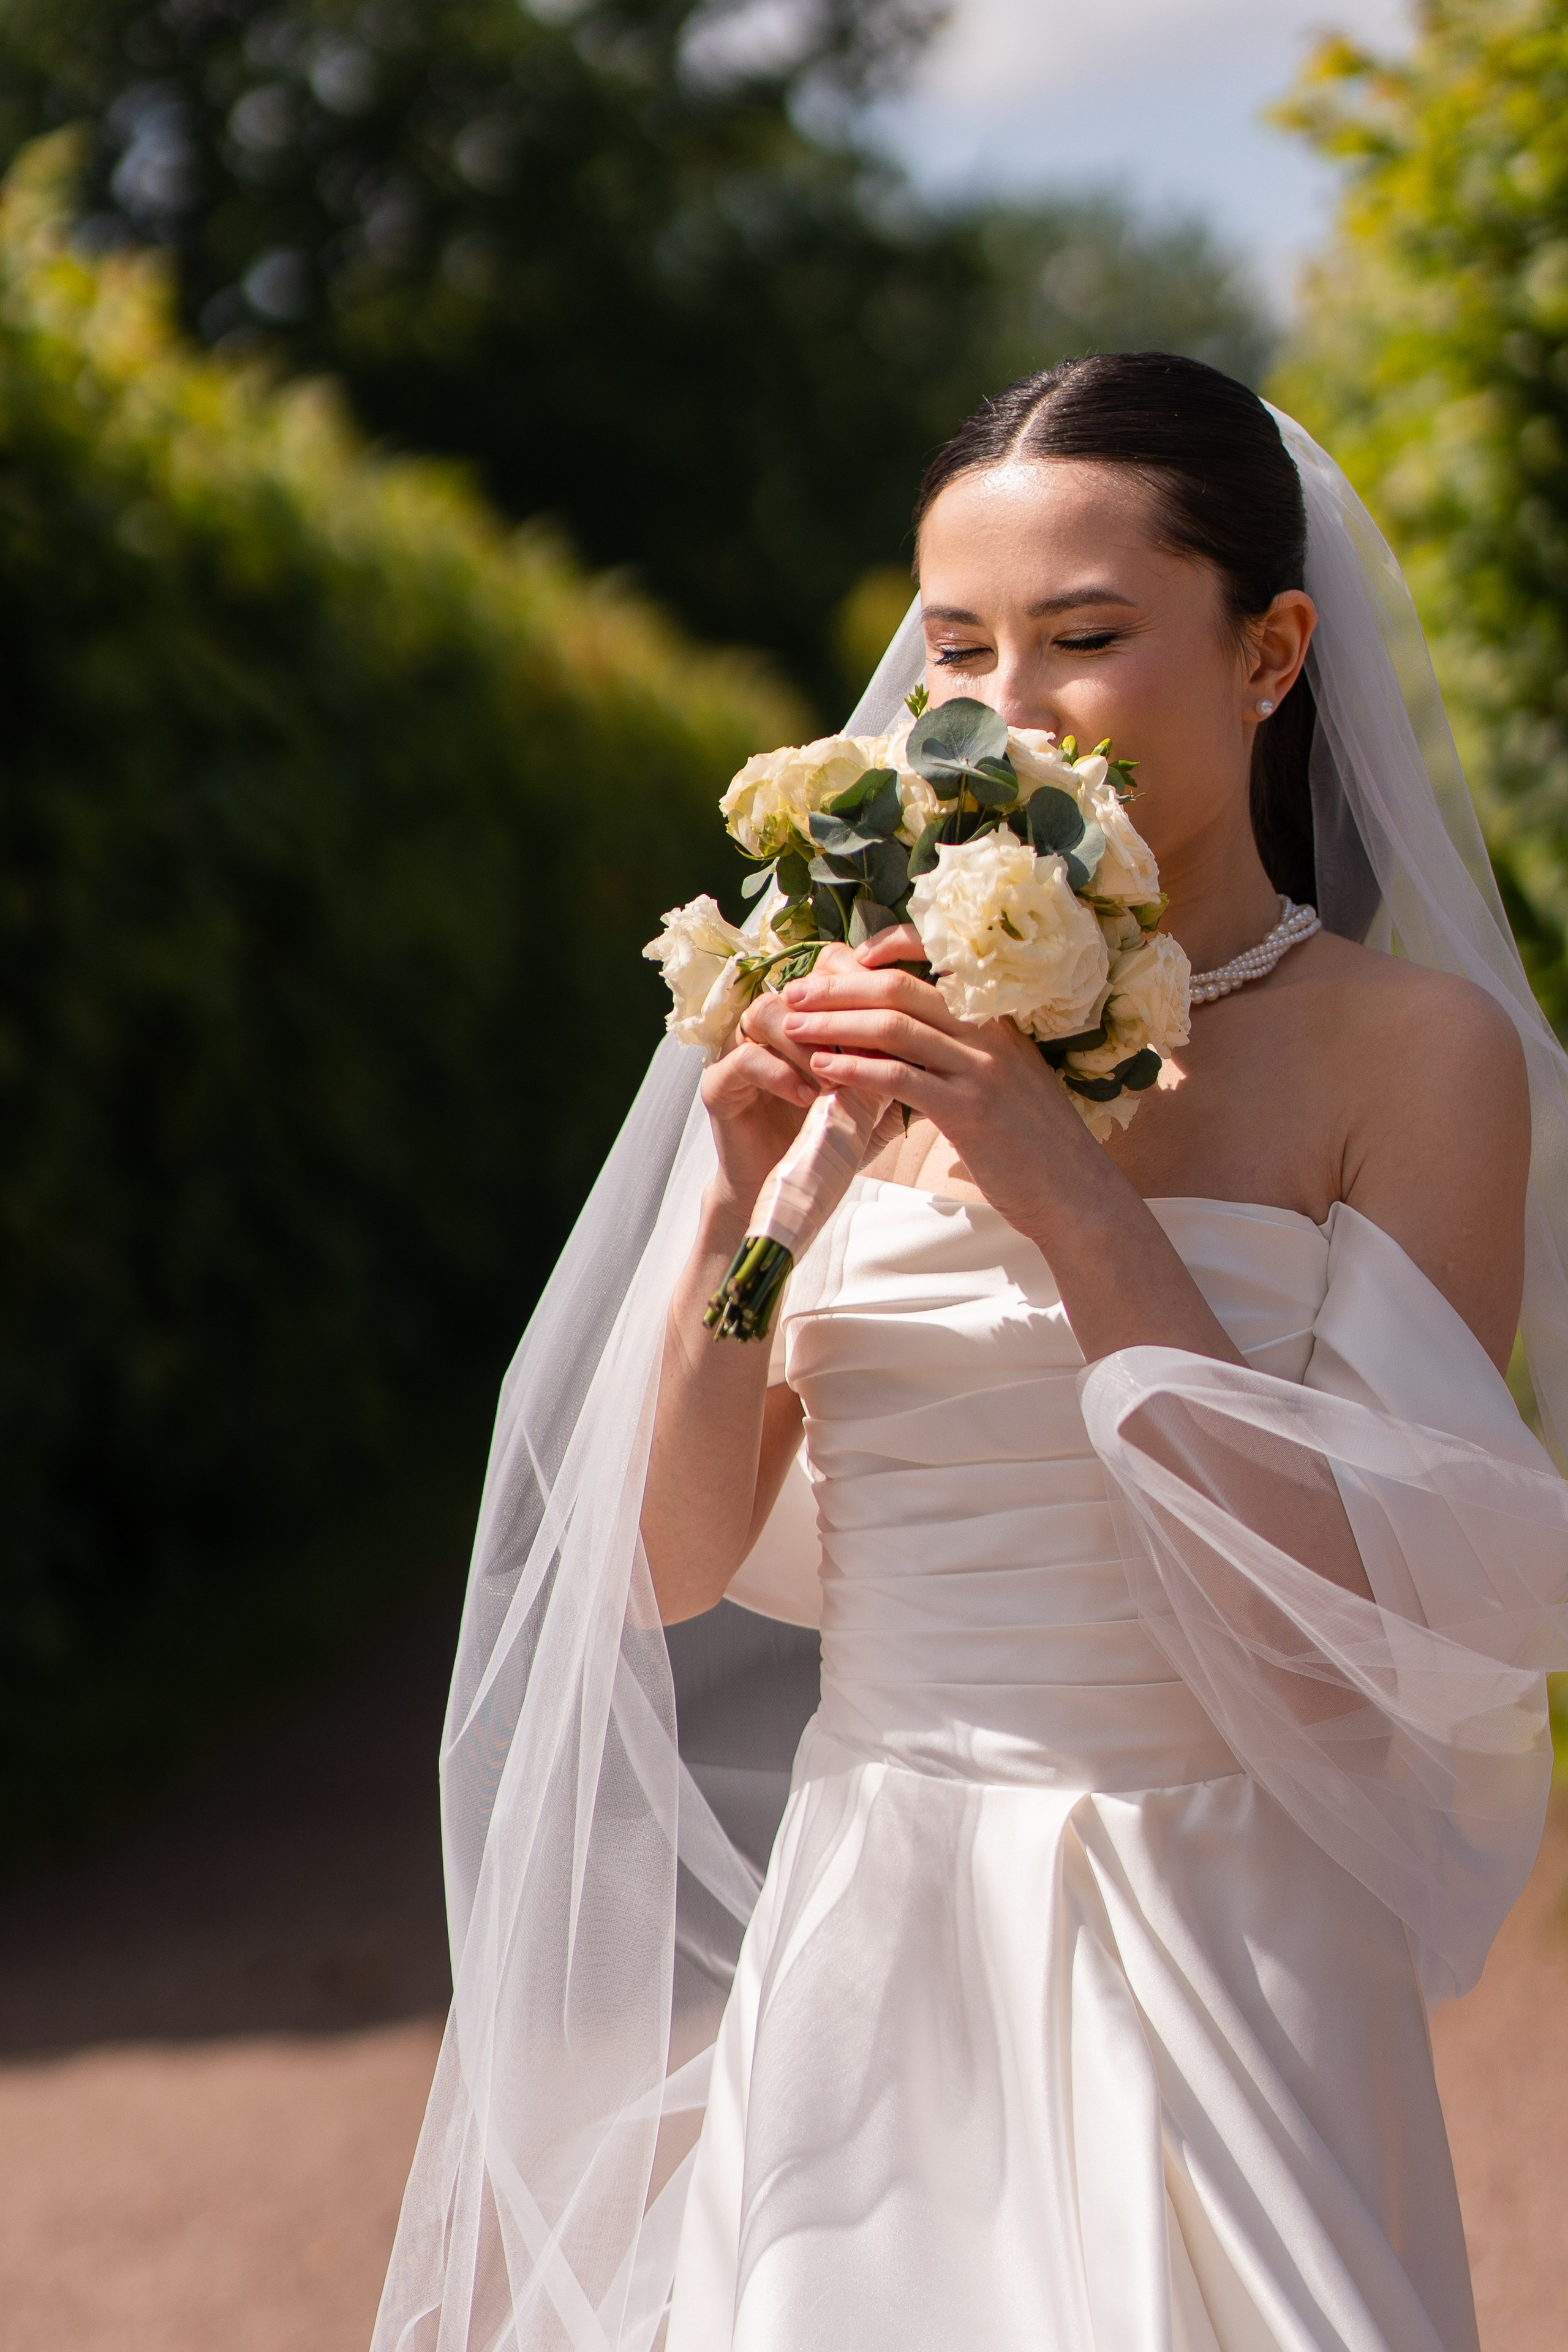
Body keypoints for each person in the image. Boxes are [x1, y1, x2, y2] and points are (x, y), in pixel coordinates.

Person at [371, 357, 1568, 2352]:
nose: (1005, 715)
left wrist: (1070, 1193)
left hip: (1230, 1936)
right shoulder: (847, 1005)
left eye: (1087, 640)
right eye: (957, 649)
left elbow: (1336, 1644)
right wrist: (748, 1199)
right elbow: (670, 1562)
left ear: (1271, 651)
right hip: (880, 1915)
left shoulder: (1410, 1059)